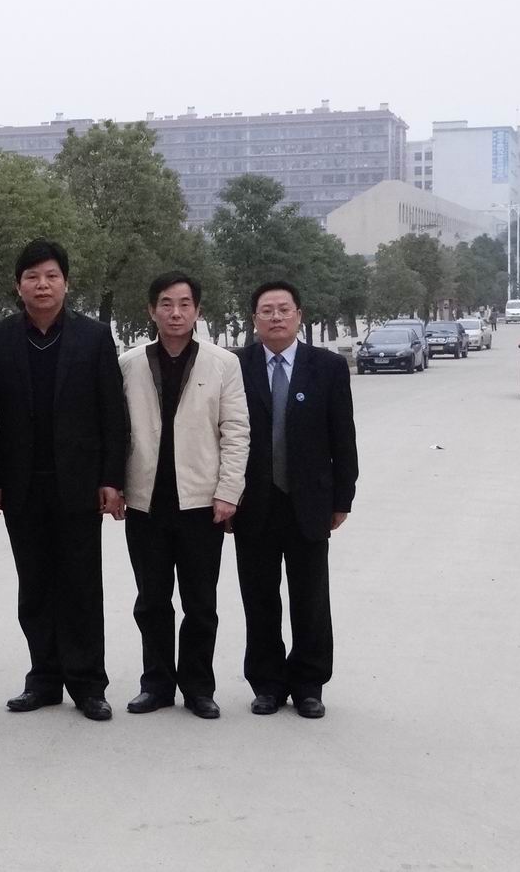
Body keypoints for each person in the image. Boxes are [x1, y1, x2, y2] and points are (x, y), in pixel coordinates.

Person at [0, 240, 127, 721]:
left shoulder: (93, 337)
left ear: (66, 283)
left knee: (82, 585)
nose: (42, 285)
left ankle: (88, 683)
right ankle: (43, 679)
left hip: (79, 483)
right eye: (32, 276)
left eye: (51, 276)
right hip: (21, 484)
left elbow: (112, 414)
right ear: (18, 285)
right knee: (34, 585)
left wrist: (111, 478)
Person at [120, 272, 249, 720]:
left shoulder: (222, 363)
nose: (176, 313)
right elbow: (117, 430)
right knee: (151, 600)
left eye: (185, 304)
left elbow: (236, 431)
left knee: (200, 603)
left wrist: (228, 492)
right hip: (146, 503)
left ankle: (198, 687)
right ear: (151, 310)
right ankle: (155, 684)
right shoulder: (131, 363)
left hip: (201, 503)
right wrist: (115, 487)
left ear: (197, 310)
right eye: (166, 304)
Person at [233, 280, 358, 719]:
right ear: (254, 319)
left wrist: (343, 497)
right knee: (259, 598)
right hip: (253, 503)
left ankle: (309, 685)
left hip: (309, 503)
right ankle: (266, 683)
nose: (276, 317)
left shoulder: (327, 367)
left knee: (311, 599)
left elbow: (343, 436)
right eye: (266, 310)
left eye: (284, 309)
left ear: (299, 315)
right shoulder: (236, 366)